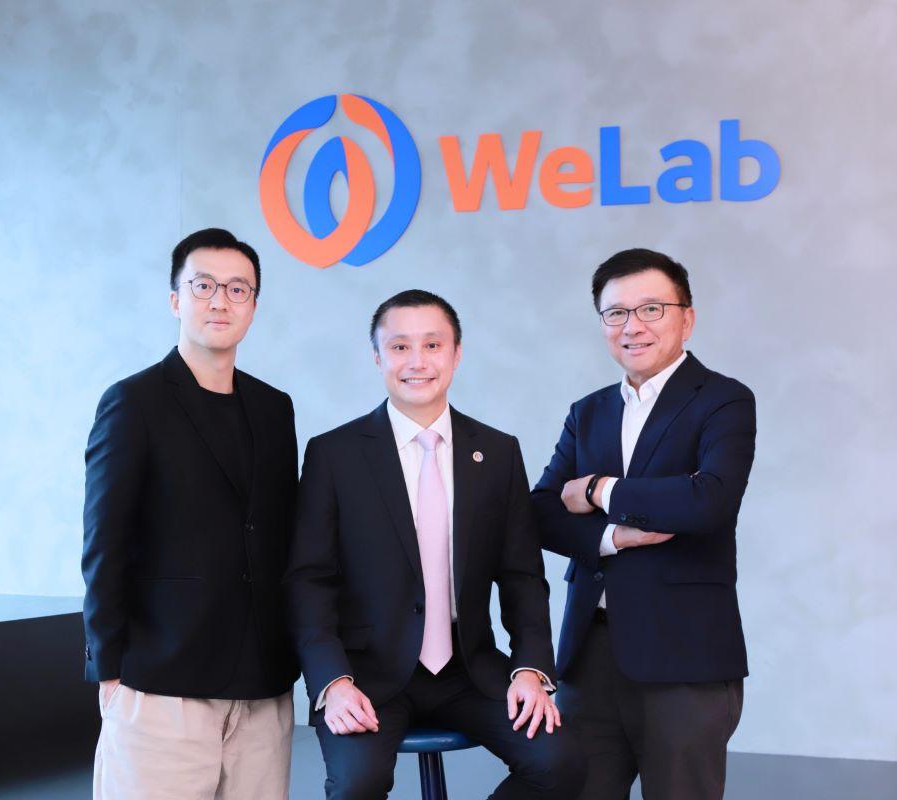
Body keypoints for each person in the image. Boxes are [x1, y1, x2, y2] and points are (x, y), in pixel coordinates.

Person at [285, 290, 585, 799]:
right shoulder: (334, 454)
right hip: (366, 676)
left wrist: (531, 669)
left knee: (562, 762)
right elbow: (308, 581)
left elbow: (521, 576)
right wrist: (332, 682)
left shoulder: (497, 452)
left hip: (470, 670)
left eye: (432, 345)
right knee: (357, 784)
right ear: (377, 357)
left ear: (456, 353)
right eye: (399, 347)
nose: (417, 361)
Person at [81, 228, 298, 799]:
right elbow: (104, 543)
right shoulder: (133, 403)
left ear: (253, 306)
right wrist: (109, 669)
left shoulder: (275, 409)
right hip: (162, 682)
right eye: (203, 286)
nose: (220, 300)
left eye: (237, 289)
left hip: (262, 687)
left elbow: (282, 538)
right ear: (176, 299)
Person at [532, 248, 756, 800]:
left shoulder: (724, 400)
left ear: (687, 318)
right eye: (616, 313)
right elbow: (540, 512)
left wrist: (596, 489)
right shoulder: (588, 411)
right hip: (590, 655)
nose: (632, 326)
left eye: (651, 309)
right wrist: (611, 536)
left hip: (684, 658)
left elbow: (707, 501)